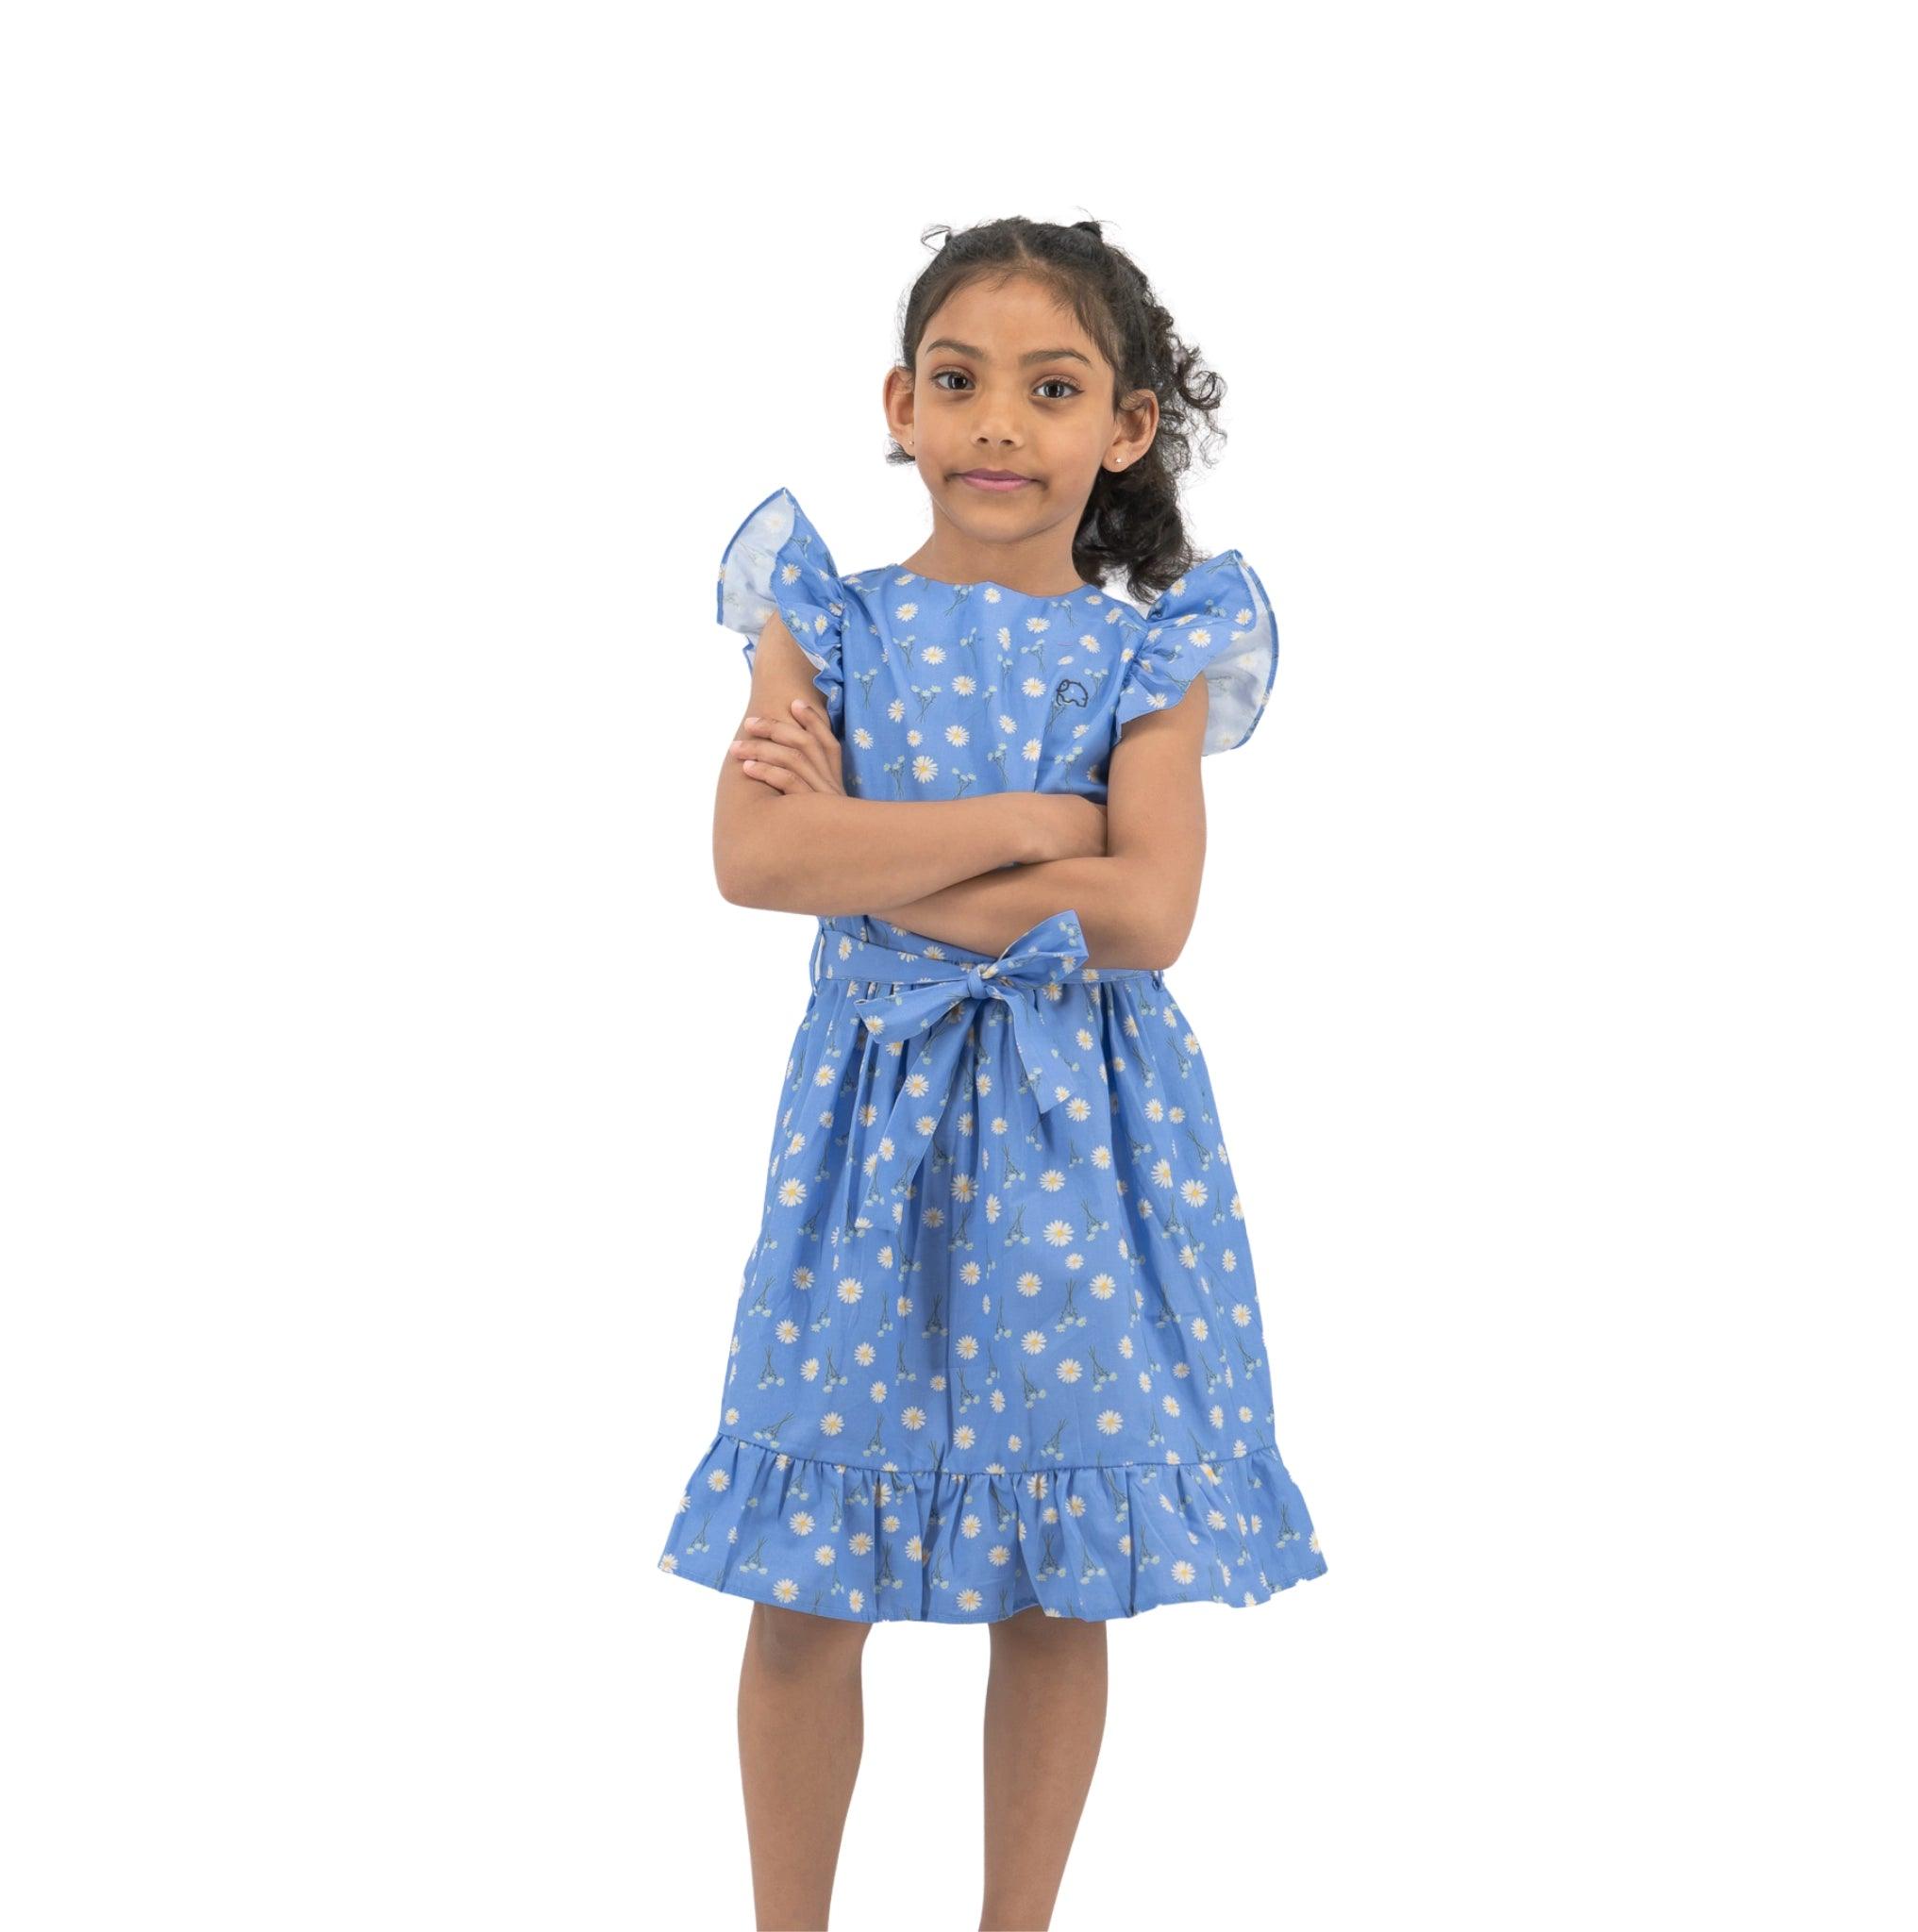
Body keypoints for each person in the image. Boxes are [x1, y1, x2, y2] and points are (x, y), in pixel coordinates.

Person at [656, 215, 1328, 1931]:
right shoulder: (826, 620)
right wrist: (1038, 824)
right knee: (809, 1576)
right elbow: (753, 859)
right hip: (866, 1135)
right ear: (901, 402)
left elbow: (1150, 910)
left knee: (1057, 1569)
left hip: (1078, 1135)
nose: (999, 425)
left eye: (1051, 388)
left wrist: (875, 859)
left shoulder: (1150, 650)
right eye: (958, 383)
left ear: (1124, 425)